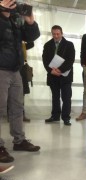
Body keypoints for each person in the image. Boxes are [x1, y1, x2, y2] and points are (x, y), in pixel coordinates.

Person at [0, 0, 40, 164]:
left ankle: (19, 140)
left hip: (16, 69)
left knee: (17, 108)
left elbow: (30, 37)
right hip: (1, 68)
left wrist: (30, 23)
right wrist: (3, 14)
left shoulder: (16, 15)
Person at [42, 25, 75, 126]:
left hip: (65, 75)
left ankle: (66, 117)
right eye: (54, 34)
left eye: (58, 34)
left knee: (66, 97)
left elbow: (70, 60)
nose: (56, 36)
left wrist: (60, 69)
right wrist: (50, 71)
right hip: (52, 75)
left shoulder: (69, 45)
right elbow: (45, 60)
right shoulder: (47, 45)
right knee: (55, 97)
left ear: (62, 33)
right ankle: (55, 116)